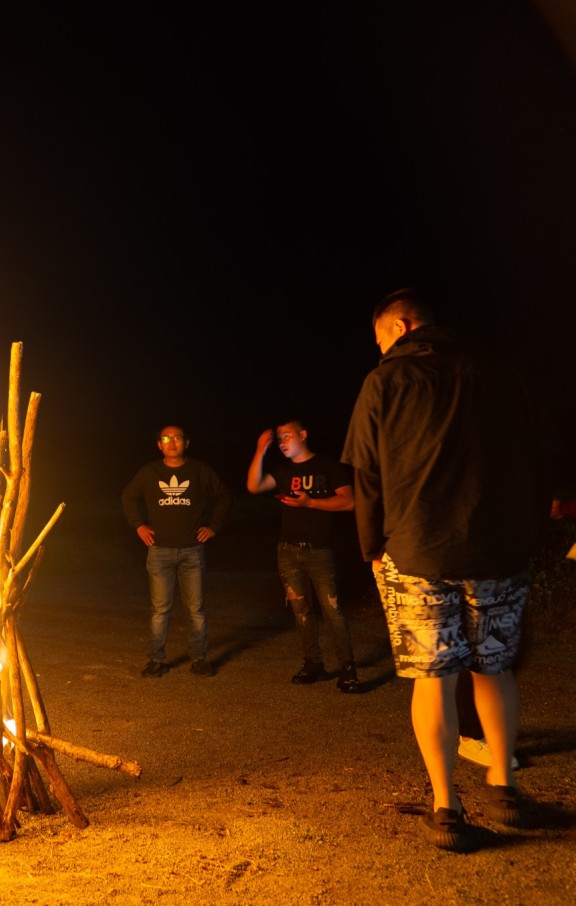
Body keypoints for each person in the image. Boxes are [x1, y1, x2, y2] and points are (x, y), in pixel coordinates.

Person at [342, 288, 553, 852]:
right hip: (499, 551)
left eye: (382, 337)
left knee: (434, 679)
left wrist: (371, 548)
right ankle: (503, 786)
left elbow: (366, 474)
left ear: (403, 325)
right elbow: (540, 457)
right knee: (496, 668)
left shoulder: (384, 381)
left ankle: (446, 805)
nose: (382, 349)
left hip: (417, 553)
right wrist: (531, 533)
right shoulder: (502, 372)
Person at [247, 421, 360, 692]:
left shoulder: (328, 466)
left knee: (332, 610)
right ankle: (313, 664)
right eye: (279, 439)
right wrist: (260, 451)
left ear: (303, 435)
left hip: (320, 549)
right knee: (301, 611)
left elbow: (349, 501)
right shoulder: (284, 471)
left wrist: (310, 502)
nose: (283, 442)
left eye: (288, 436)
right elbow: (254, 486)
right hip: (288, 550)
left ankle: (348, 669)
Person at [122, 424, 231, 678]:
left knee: (196, 609)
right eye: (166, 438)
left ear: (187, 443)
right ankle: (156, 661)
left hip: (192, 551)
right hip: (159, 551)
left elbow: (224, 497)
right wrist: (139, 526)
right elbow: (128, 498)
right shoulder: (149, 472)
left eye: (178, 438)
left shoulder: (200, 471)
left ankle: (200, 659)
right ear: (159, 444)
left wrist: (213, 527)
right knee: (160, 610)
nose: (172, 442)